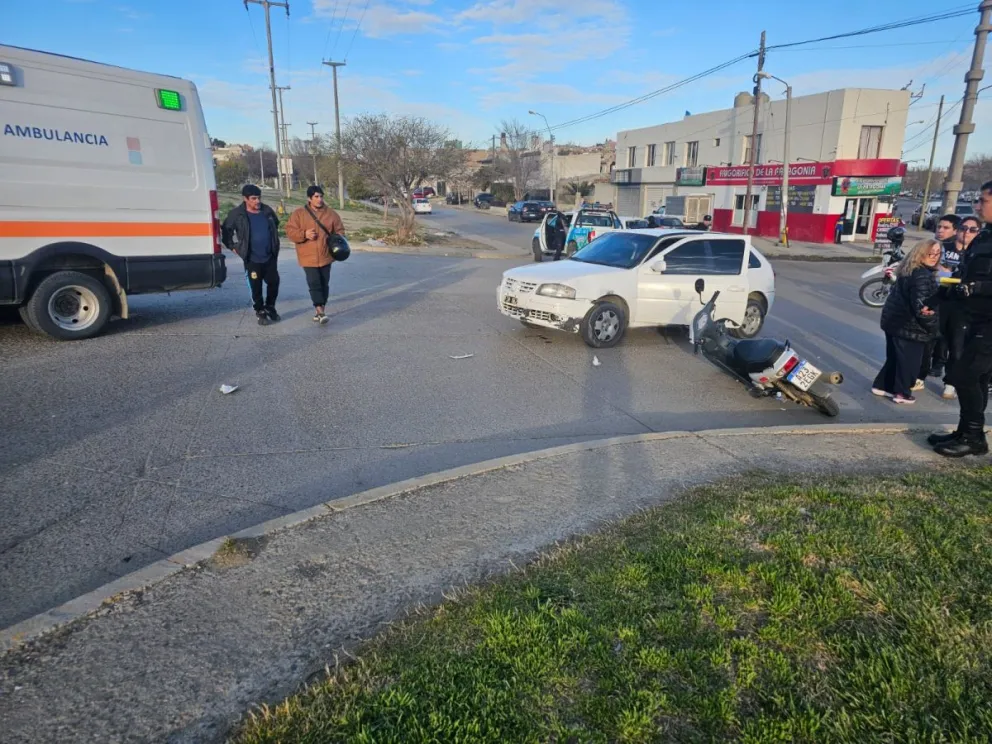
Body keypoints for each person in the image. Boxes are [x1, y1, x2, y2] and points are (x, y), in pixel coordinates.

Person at [930, 183, 992, 457]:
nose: (977, 206)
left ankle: (974, 437)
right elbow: (965, 273)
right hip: (973, 318)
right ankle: (965, 431)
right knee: (974, 378)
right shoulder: (983, 237)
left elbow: (979, 283)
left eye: (983, 201)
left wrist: (976, 288)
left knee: (963, 375)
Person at [871, 238, 941, 404]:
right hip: (910, 326)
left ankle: (883, 386)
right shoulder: (922, 275)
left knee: (895, 358)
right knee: (909, 363)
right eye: (930, 253)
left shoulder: (908, 269)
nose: (934, 256)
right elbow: (923, 309)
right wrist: (934, 329)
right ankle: (902, 393)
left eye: (938, 253)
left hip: (895, 322)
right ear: (920, 254)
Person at [222, 184, 281, 325]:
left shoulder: (267, 211)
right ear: (245, 199)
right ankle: (260, 310)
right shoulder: (237, 214)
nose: (257, 201)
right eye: (253, 199)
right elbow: (226, 231)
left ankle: (270, 307)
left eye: (259, 198)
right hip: (251, 257)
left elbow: (275, 225)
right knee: (256, 285)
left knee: (274, 282)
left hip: (269, 255)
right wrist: (233, 246)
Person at [285, 185, 345, 324]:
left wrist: (336, 240)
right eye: (316, 197)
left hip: (326, 255)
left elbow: (340, 231)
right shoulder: (299, 214)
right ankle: (319, 309)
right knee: (314, 283)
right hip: (308, 256)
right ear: (309, 198)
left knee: (324, 283)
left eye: (321, 196)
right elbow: (290, 231)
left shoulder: (331, 214)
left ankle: (321, 309)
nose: (319, 199)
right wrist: (304, 234)